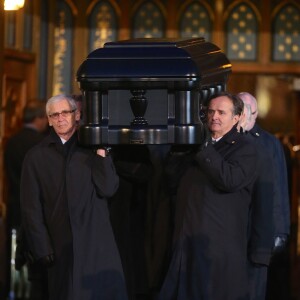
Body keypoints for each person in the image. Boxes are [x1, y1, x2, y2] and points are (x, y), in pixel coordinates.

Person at [20, 94, 128, 300]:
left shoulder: (93, 149)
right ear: (49, 120)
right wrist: (42, 247)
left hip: (97, 243)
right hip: (60, 247)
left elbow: (108, 189)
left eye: (65, 113)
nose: (60, 118)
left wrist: (102, 154)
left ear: (77, 115)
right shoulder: (36, 156)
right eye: (54, 115)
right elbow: (30, 208)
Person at [157, 92, 258, 300]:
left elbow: (229, 180)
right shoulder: (193, 144)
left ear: (237, 117)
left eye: (222, 112)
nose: (215, 117)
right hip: (186, 242)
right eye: (211, 111)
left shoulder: (246, 149)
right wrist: (178, 151)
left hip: (217, 249)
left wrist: (204, 147)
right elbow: (171, 180)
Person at [237, 92, 291, 300]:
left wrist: (281, 231)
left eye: (246, 112)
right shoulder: (227, 140)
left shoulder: (269, 144)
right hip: (234, 229)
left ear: (256, 114)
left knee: (254, 289)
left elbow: (278, 187)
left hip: (259, 229)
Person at [4, 101, 49, 300]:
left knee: (14, 258)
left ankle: (14, 293)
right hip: (36, 209)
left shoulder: (11, 141)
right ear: (40, 118)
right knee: (35, 261)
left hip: (14, 205)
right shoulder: (41, 144)